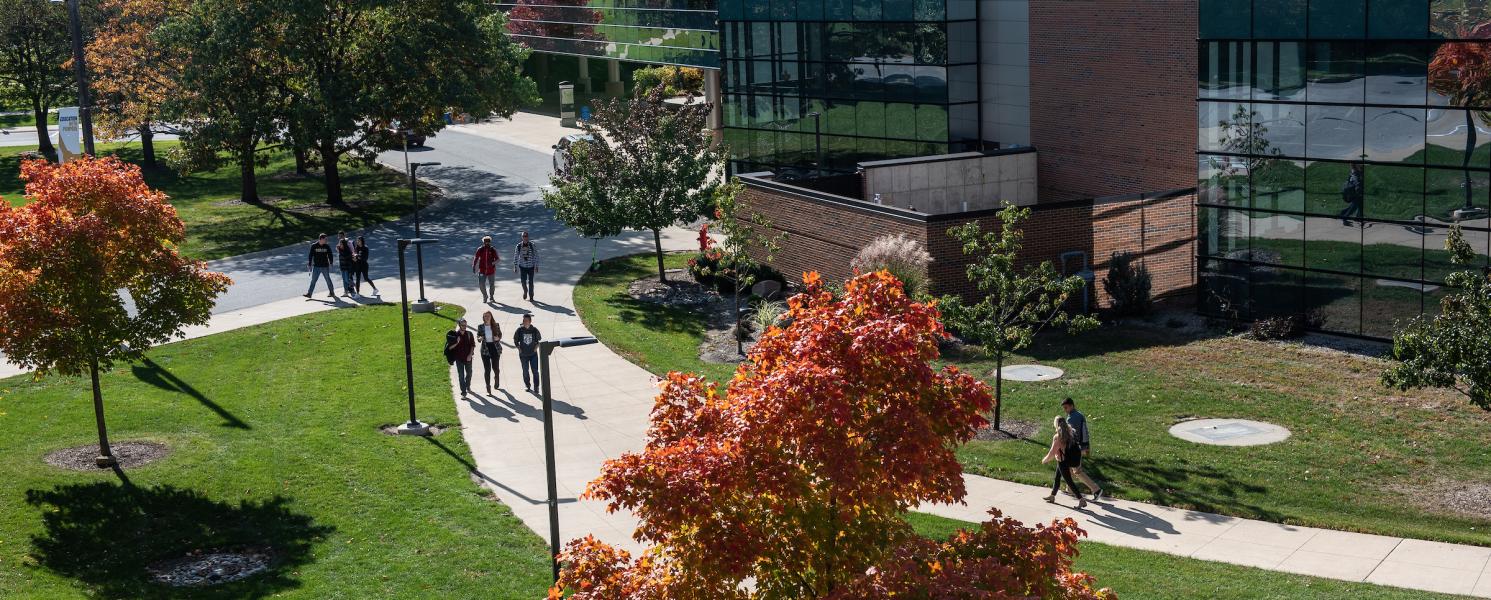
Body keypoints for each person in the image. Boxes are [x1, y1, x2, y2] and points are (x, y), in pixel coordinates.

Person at [1042, 415, 1087, 508]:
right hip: (1067, 459)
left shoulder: (1058, 437)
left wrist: (1045, 460)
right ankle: (1052, 496)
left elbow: (1052, 452)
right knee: (1057, 478)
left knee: (1069, 481)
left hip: (1063, 461)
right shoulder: (1070, 432)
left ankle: (1081, 500)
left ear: (1056, 424)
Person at [1063, 397, 1104, 499]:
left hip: (1076, 448)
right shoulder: (1079, 415)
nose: (1065, 410)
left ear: (1072, 405)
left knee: (1077, 471)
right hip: (1082, 446)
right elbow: (1085, 432)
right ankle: (1070, 489)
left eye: (1066, 407)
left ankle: (1096, 490)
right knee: (1070, 468)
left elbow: (1071, 435)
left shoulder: (1072, 418)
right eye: (1064, 408)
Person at [445, 318, 476, 398]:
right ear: (459, 325)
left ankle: (468, 386)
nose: (465, 327)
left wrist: (470, 355)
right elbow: (449, 348)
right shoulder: (454, 335)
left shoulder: (469, 334)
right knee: (461, 376)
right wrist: (457, 342)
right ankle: (463, 393)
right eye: (463, 325)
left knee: (469, 373)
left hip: (468, 358)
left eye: (465, 325)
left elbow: (472, 345)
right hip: (459, 359)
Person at [514, 313, 542, 392]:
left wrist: (536, 347)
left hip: (533, 354)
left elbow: (539, 340)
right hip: (523, 355)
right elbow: (515, 340)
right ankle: (527, 385)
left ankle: (536, 387)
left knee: (535, 371)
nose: (525, 322)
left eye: (526, 320)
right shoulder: (519, 330)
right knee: (525, 371)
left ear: (530, 321)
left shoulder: (534, 330)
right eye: (524, 320)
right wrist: (519, 348)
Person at [304, 233, 337, 299]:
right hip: (316, 267)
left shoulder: (326, 246)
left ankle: (331, 292)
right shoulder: (314, 246)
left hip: (325, 266)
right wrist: (310, 264)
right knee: (313, 280)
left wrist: (331, 262)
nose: (326, 240)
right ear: (321, 239)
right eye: (325, 239)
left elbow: (330, 254)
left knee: (328, 279)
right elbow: (310, 255)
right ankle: (309, 293)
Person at [477, 311, 502, 395]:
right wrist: (479, 338)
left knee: (495, 368)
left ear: (491, 317)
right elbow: (478, 336)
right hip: (485, 349)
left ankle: (497, 378)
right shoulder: (480, 326)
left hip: (495, 348)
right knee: (487, 369)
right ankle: (488, 386)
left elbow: (500, 335)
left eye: (488, 316)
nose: (487, 317)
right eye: (485, 316)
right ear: (483, 318)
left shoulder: (496, 325)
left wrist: (497, 338)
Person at [472, 236, 501, 303]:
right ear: (483, 242)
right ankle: (485, 296)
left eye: (488, 241)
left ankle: (491, 297)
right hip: (482, 270)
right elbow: (476, 257)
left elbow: (498, 259)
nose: (487, 243)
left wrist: (492, 263)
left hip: (491, 271)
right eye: (485, 241)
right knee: (481, 284)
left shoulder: (492, 249)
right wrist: (474, 265)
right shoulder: (480, 249)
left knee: (492, 285)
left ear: (490, 242)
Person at [514, 231, 539, 302]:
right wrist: (515, 266)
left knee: (531, 282)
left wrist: (536, 266)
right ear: (522, 237)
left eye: (526, 236)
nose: (525, 238)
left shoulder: (532, 245)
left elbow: (536, 255)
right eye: (524, 236)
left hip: (531, 266)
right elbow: (516, 256)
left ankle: (531, 296)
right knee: (523, 282)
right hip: (522, 267)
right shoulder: (518, 246)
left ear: (528, 237)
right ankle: (525, 291)